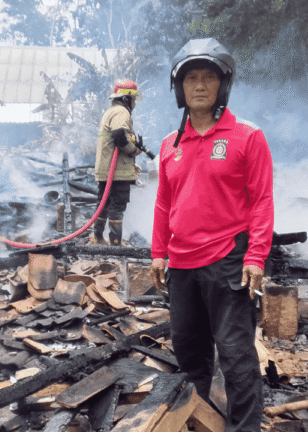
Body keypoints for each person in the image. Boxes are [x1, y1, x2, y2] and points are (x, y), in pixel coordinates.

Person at [149, 38, 274, 432]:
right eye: (191, 78)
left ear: (223, 84)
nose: (199, 85)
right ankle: (199, 422)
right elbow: (163, 205)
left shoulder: (247, 136)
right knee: (189, 354)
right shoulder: (170, 145)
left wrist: (256, 257)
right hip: (181, 264)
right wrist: (157, 252)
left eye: (208, 77)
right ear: (179, 88)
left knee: (236, 354)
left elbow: (262, 201)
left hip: (228, 261)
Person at [93, 79, 142, 246]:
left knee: (103, 204)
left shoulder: (111, 111)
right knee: (117, 205)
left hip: (106, 169)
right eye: (134, 100)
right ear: (127, 98)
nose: (134, 104)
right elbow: (119, 136)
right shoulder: (122, 112)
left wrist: (130, 162)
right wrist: (134, 150)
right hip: (116, 174)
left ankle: (98, 239)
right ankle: (115, 244)